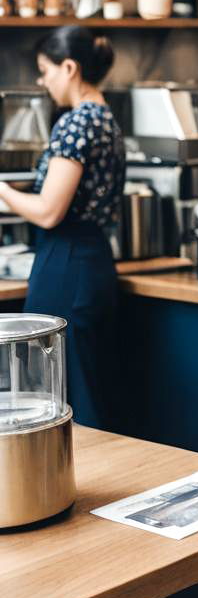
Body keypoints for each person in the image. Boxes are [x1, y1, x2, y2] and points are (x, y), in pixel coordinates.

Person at [0, 26, 125, 429]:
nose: (42, 80)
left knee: (62, 395)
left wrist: (1, 189)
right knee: (89, 387)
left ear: (69, 68)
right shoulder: (105, 118)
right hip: (94, 261)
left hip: (66, 263)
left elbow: (50, 211)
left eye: (45, 69)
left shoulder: (75, 122)